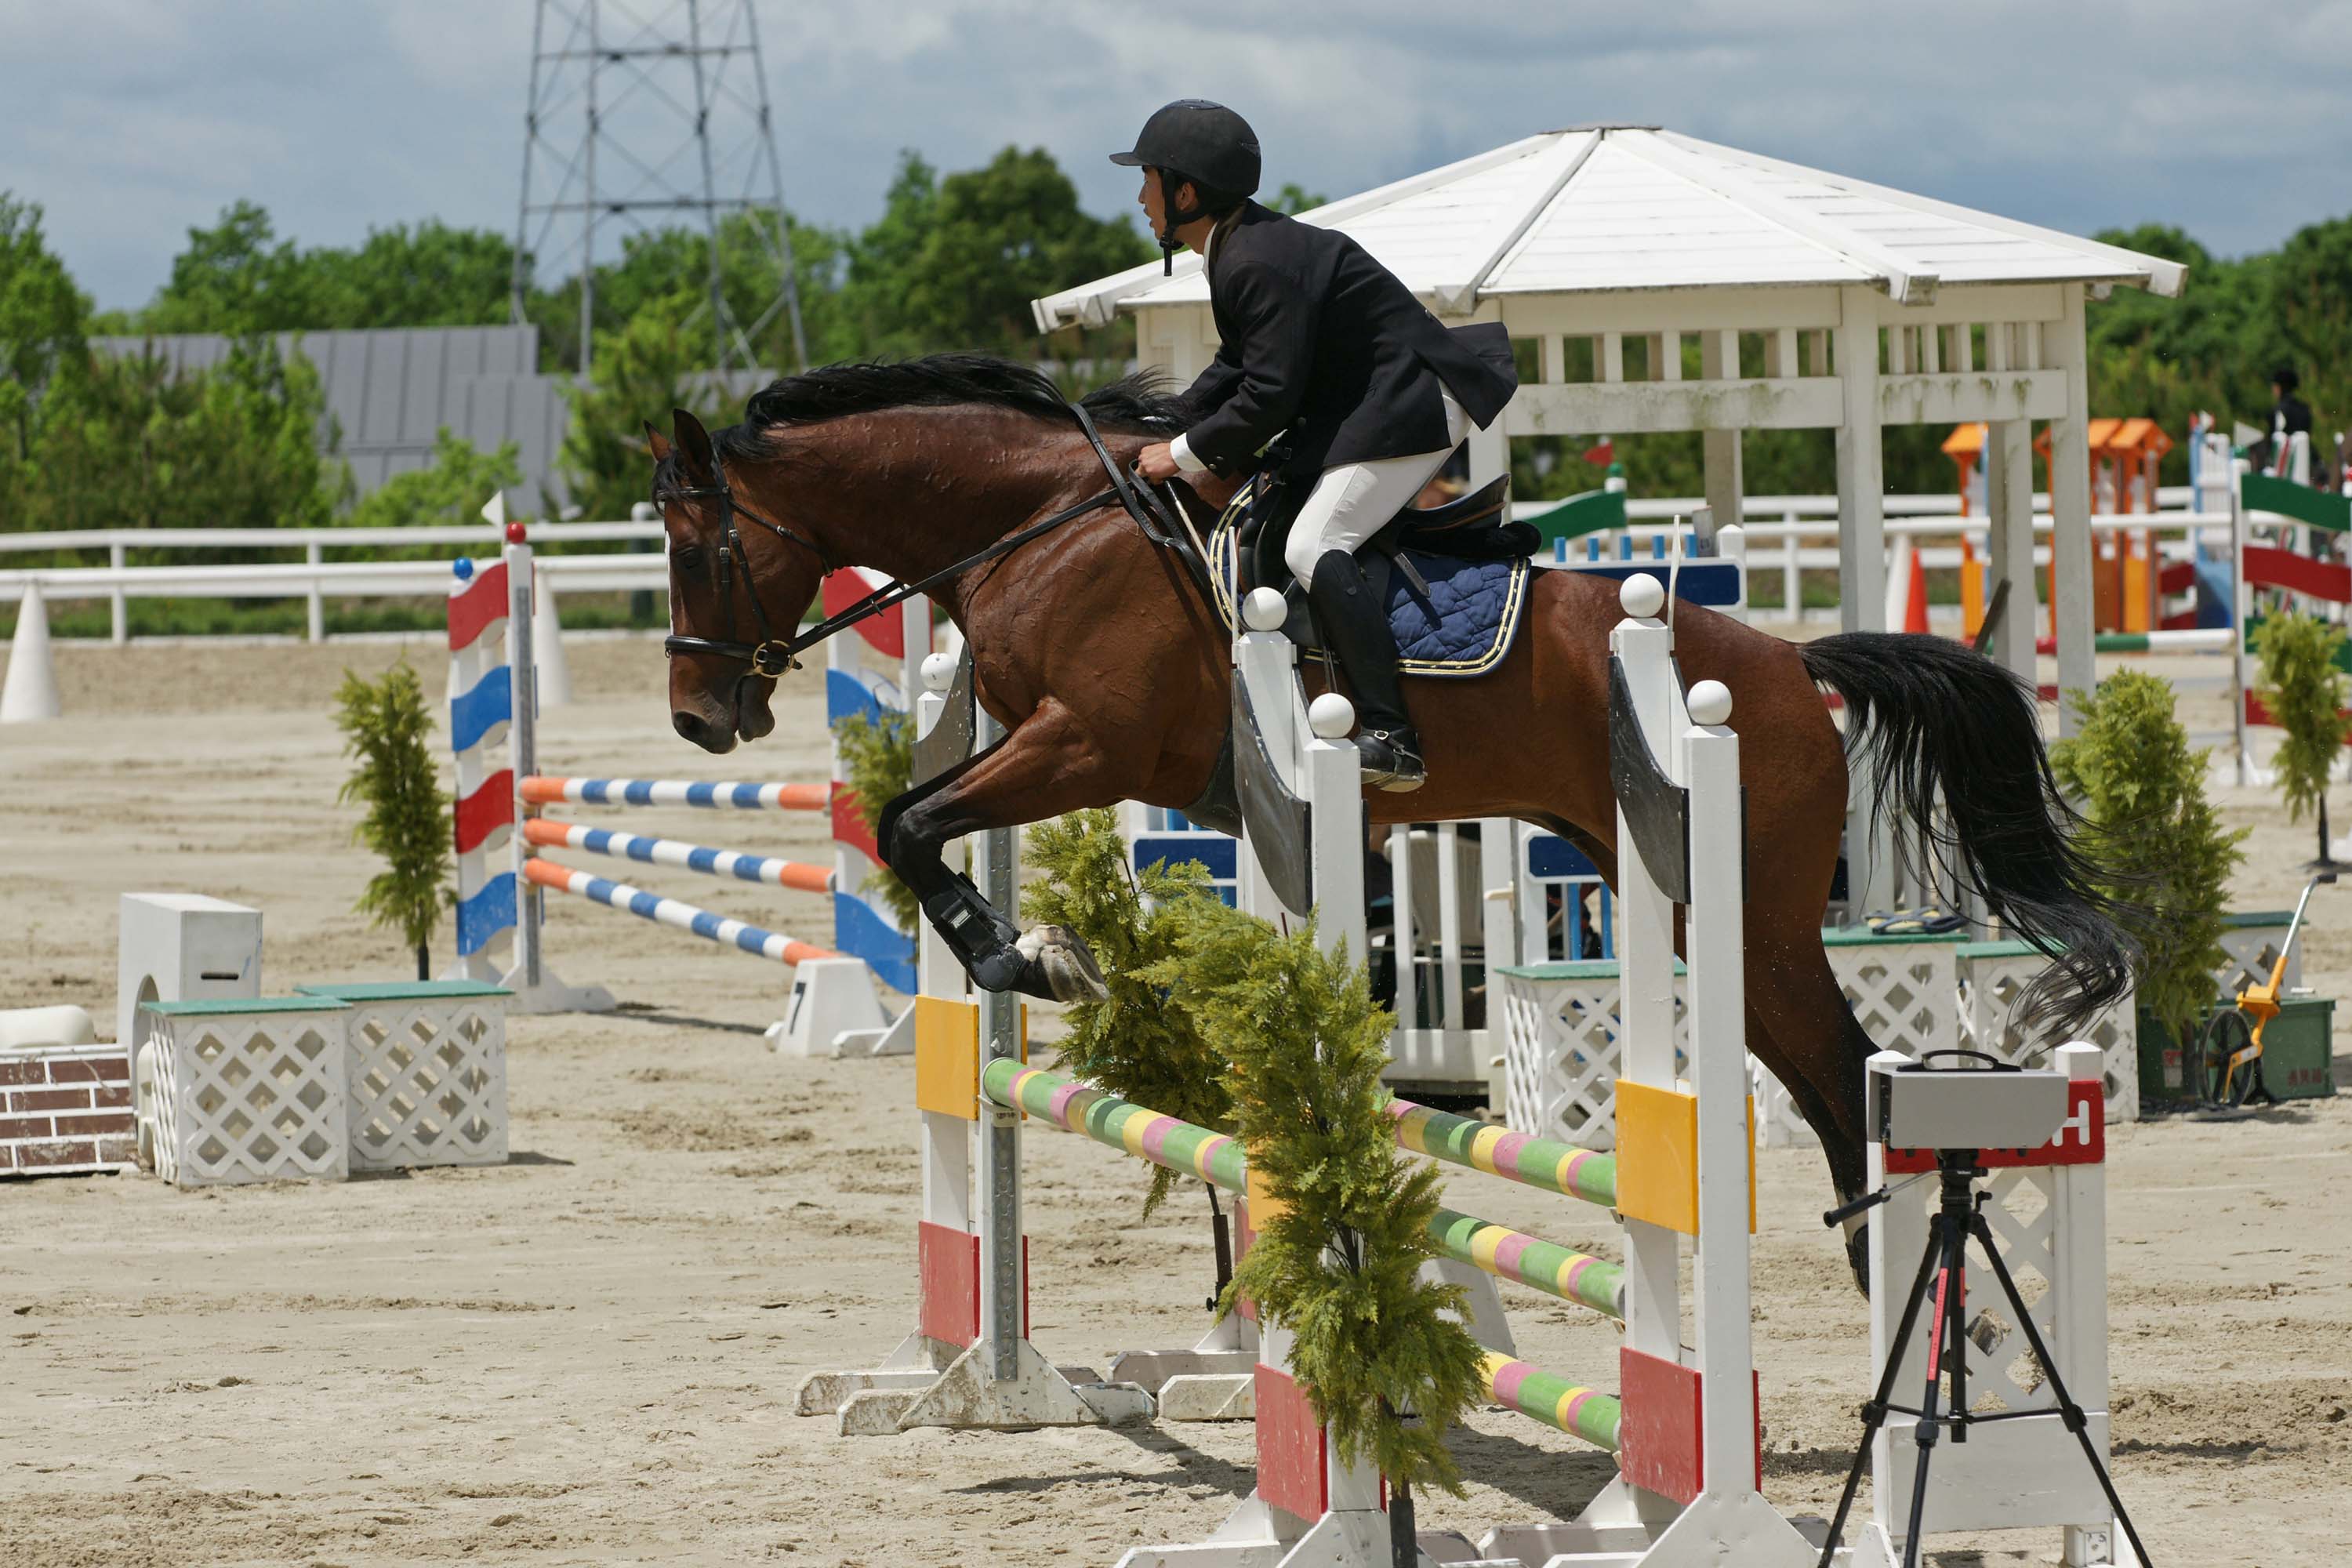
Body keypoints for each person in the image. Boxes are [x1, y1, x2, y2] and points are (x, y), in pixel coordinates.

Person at [1120, 100, 1518, 792]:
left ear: (1186, 192)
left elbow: (1268, 396)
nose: (1140, 195)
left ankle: (1394, 736)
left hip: (1412, 399)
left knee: (1314, 545)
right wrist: (1166, 424)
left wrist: (1180, 455)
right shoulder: (1241, 248)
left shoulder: (1253, 261)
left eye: (1149, 179)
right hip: (1365, 400)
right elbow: (1239, 365)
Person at [2268, 367, 2314, 477]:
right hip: (2307, 457)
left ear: (2280, 387)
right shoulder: (2304, 409)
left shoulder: (2279, 410)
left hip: (2286, 461)